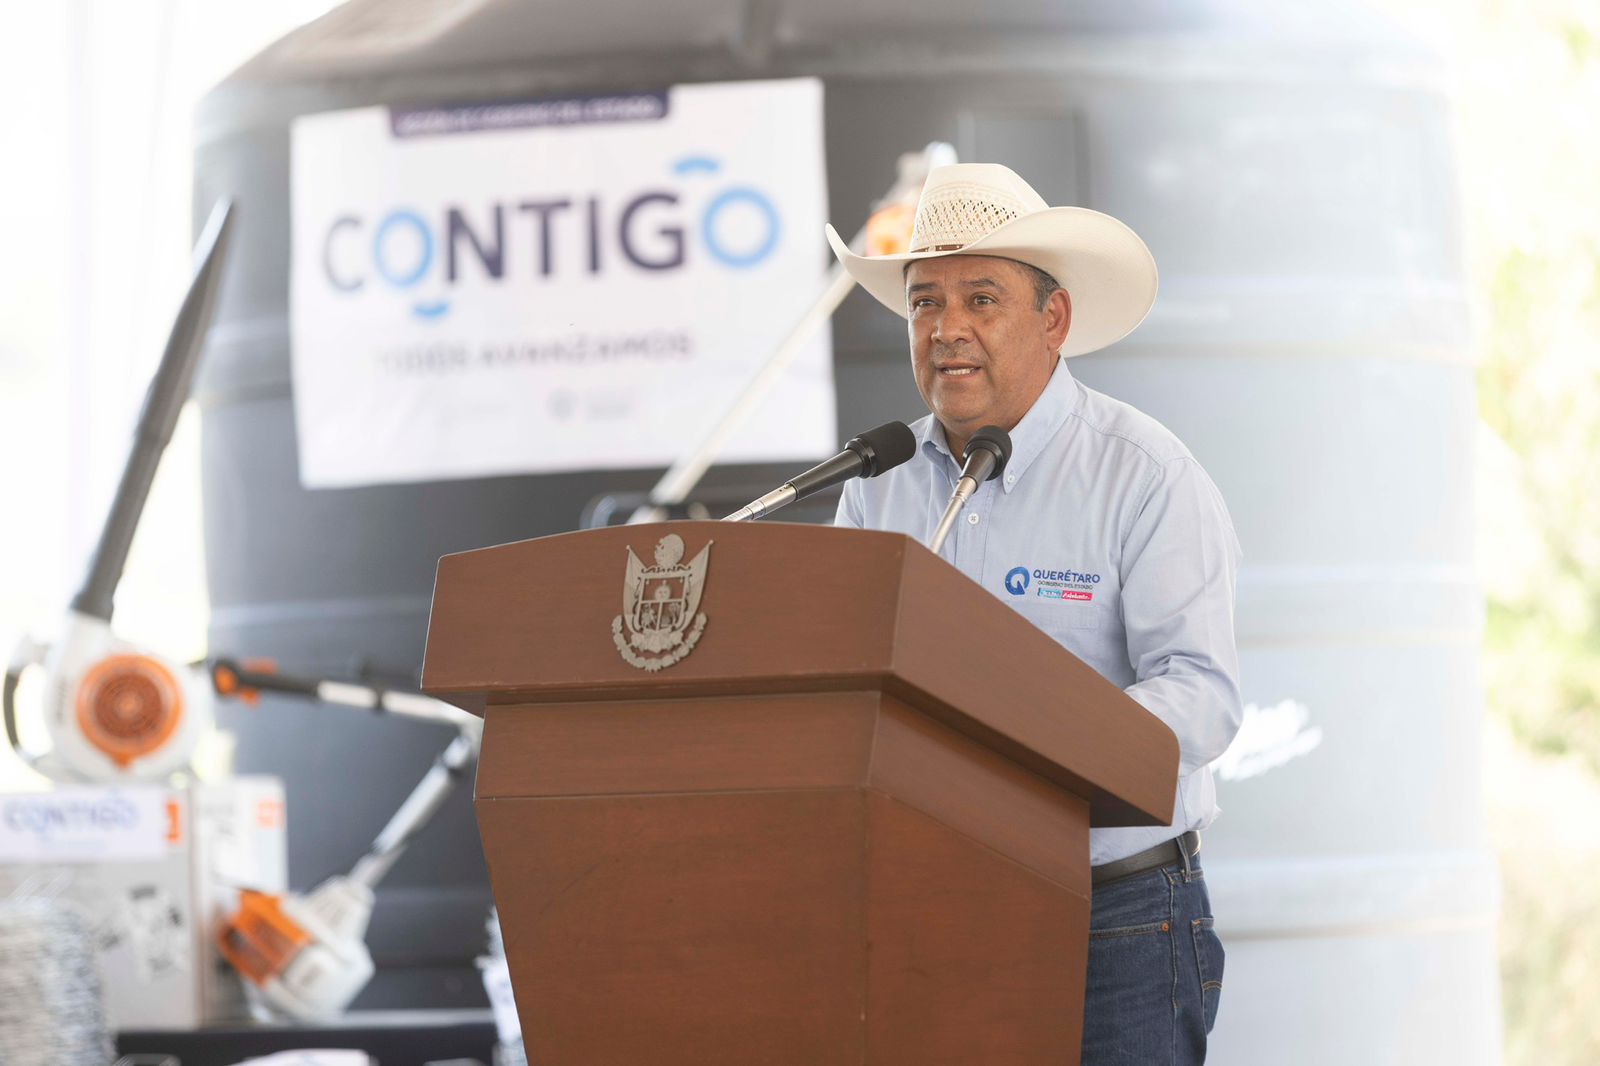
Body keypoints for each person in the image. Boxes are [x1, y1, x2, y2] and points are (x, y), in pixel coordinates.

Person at [828, 163, 1244, 1064]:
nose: (947, 328)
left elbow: (1202, 697)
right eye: (925, 303)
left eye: (981, 299)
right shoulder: (875, 487)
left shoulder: (1144, 475)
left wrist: (1036, 749)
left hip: (1117, 921)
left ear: (1054, 320)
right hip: (926, 909)